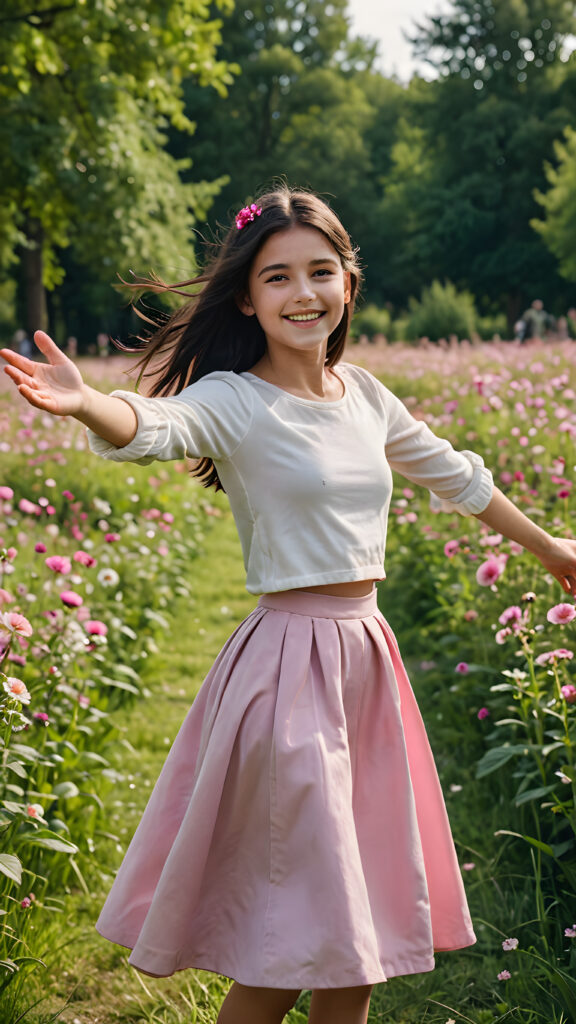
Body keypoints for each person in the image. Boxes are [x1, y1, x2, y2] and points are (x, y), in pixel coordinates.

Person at [2, 187, 576, 1024]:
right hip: (287, 673)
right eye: (278, 278)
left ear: (347, 281)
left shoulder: (365, 396)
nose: (302, 293)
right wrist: (89, 400)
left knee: (360, 942)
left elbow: (457, 475)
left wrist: (553, 547)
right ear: (248, 296)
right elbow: (155, 424)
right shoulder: (237, 400)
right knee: (290, 949)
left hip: (365, 666)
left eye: (320, 272)